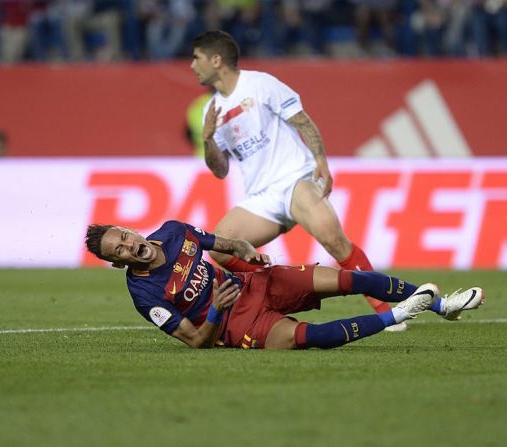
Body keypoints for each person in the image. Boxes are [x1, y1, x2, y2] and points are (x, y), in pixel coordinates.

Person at [189, 30, 407, 331]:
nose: (192, 65)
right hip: (262, 197)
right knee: (219, 248)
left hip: (295, 178)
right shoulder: (212, 111)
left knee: (335, 241)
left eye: (196, 57)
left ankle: (388, 311)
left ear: (216, 59)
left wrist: (321, 160)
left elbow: (300, 119)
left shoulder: (260, 84)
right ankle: (272, 279)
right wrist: (208, 138)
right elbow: (220, 170)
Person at [85, 220, 484, 349]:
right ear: (115, 262)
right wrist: (216, 311)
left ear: (129, 229)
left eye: (122, 236)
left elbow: (222, 244)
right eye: (117, 250)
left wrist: (247, 251)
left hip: (253, 282)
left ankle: (441, 306)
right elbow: (193, 340)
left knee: (349, 278)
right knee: (303, 338)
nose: (127, 245)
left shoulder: (174, 232)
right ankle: (400, 312)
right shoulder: (143, 294)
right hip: (234, 324)